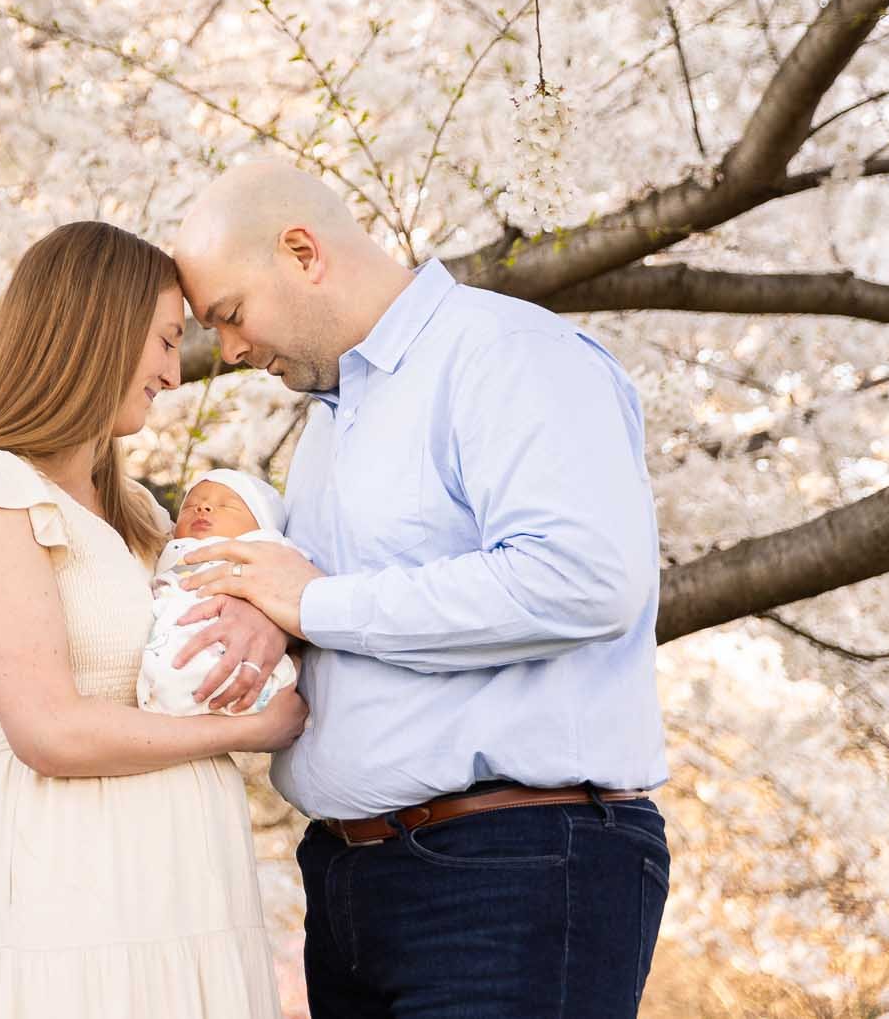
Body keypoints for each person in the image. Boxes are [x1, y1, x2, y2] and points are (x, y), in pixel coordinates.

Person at [172, 161, 671, 1019]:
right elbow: (347, 601)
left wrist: (315, 605)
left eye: (230, 314)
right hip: (351, 881)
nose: (232, 351)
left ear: (302, 251)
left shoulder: (506, 355)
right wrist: (272, 619)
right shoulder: (332, 423)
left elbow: (583, 576)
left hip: (512, 865)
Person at [0, 221, 302, 1018]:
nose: (172, 372)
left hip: (192, 888)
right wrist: (244, 730)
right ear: (95, 330)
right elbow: (48, 730)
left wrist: (274, 627)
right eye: (162, 341)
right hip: (74, 883)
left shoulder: (145, 518)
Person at [139, 471, 301, 718]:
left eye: (226, 506)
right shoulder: (166, 550)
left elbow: (297, 590)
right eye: (191, 505)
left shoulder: (269, 549)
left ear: (262, 524)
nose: (202, 508)